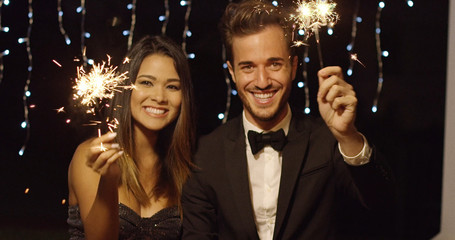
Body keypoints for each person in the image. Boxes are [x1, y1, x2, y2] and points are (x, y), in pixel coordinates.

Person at [181, 1, 393, 239]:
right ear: (232, 72)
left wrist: (347, 135)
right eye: (248, 67)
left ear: (293, 67)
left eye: (274, 64)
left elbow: (382, 203)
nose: (262, 81)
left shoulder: (329, 140)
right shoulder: (205, 155)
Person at [67, 35, 196, 240]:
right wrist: (108, 180)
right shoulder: (93, 154)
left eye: (172, 86)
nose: (159, 97)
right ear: (126, 88)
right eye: (146, 83)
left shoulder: (186, 168)